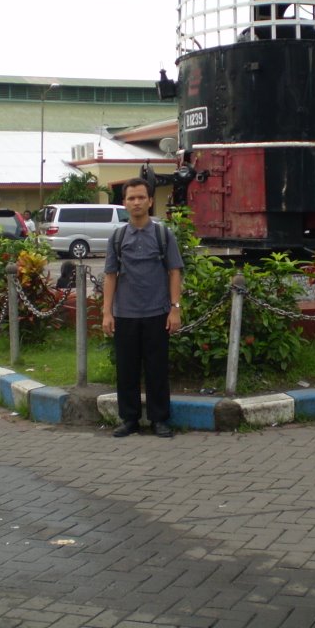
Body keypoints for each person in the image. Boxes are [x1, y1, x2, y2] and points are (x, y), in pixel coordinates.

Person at [101, 178, 184, 438]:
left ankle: (159, 419)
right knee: (126, 370)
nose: (136, 202)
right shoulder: (117, 237)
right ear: (124, 203)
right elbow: (110, 275)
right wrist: (106, 312)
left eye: (140, 197)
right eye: (131, 198)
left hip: (157, 313)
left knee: (157, 369)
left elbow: (174, 272)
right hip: (125, 314)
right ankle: (129, 419)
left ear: (150, 201)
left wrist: (175, 308)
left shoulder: (162, 234)